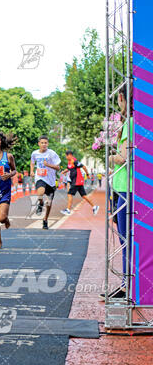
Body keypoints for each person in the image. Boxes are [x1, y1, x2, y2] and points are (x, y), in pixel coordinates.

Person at [102, 84, 133, 299]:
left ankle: (127, 285)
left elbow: (123, 158)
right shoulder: (139, 121)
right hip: (132, 187)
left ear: (121, 97)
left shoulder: (130, 123)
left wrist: (109, 155)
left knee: (125, 238)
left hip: (125, 188)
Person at [30, 135, 61, 229]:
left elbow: (58, 167)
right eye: (42, 143)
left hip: (51, 180)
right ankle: (40, 202)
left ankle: (45, 219)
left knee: (49, 202)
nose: (44, 144)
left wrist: (48, 165)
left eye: (45, 143)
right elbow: (32, 162)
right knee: (40, 193)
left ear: (48, 144)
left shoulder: (52, 153)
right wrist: (31, 171)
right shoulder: (34, 153)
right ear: (39, 143)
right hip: (40, 177)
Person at [60, 151, 99, 216]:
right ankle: (94, 207)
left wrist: (87, 174)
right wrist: (64, 171)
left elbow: (83, 167)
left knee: (69, 194)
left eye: (66, 156)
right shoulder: (70, 162)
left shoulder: (74, 161)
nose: (66, 157)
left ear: (69, 155)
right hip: (77, 181)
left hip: (77, 181)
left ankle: (68, 210)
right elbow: (68, 168)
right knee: (84, 196)